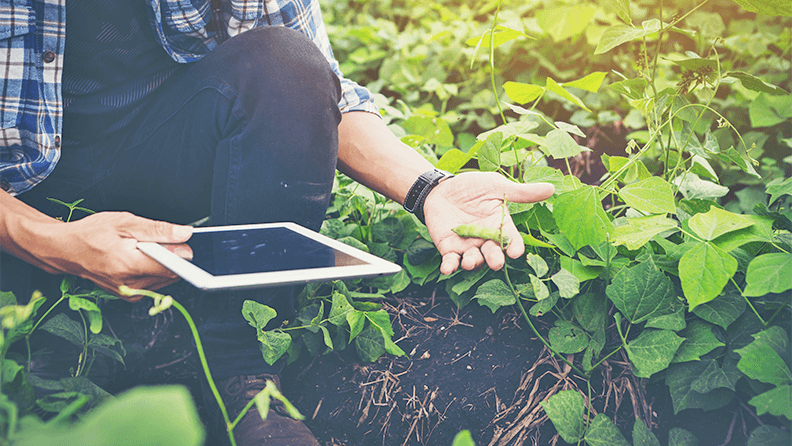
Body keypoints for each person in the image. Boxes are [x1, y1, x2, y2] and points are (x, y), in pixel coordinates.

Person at [0, 1, 553, 444]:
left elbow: (315, 86)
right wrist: (48, 241)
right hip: (18, 195)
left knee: (288, 62)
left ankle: (243, 374)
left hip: (161, 154)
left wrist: (430, 187)